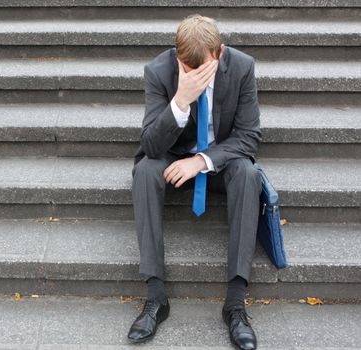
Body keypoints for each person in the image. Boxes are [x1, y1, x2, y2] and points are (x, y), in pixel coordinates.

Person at [127, 14, 262, 350]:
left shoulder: (242, 67)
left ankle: (235, 302)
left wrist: (201, 161)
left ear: (220, 53)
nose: (197, 76)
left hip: (218, 161)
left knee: (247, 172)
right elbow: (151, 145)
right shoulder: (159, 71)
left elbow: (249, 137)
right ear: (177, 58)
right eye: (189, 69)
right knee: (144, 170)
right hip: (172, 159)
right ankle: (156, 297)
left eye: (205, 70)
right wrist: (180, 101)